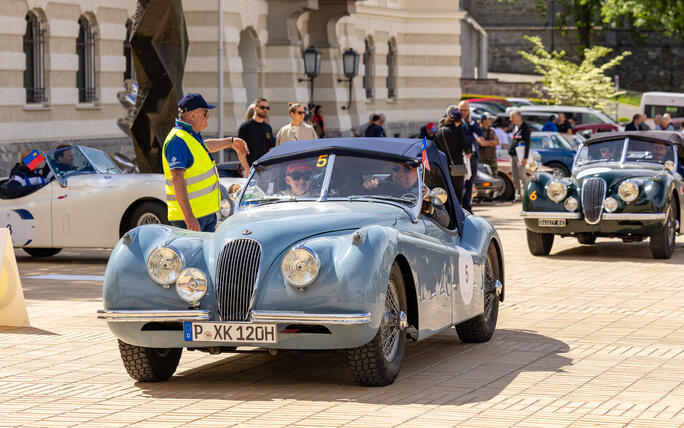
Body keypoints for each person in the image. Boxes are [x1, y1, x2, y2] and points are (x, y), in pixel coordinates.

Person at [162, 92, 249, 232]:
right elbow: (177, 179)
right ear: (193, 115)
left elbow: (205, 147)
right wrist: (189, 217)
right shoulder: (177, 140)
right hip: (191, 218)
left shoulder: (190, 135)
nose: (208, 116)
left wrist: (230, 142)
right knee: (194, 254)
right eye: (205, 112)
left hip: (205, 214)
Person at [363, 162, 450, 228]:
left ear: (418, 173)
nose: (400, 173)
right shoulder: (380, 187)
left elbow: (445, 222)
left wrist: (430, 209)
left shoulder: (425, 192)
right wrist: (368, 189)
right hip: (385, 226)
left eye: (406, 169)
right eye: (396, 169)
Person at [433, 107, 470, 205]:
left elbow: (435, 147)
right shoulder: (458, 131)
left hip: (443, 165)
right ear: (457, 121)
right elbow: (466, 147)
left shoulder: (439, 132)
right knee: (458, 190)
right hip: (457, 165)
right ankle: (458, 211)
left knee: (446, 189)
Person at [458, 100, 484, 211]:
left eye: (466, 110)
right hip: (463, 156)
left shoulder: (471, 121)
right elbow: (464, 137)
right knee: (462, 183)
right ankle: (464, 207)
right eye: (462, 110)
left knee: (470, 183)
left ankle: (468, 207)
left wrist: (471, 123)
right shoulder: (456, 122)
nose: (464, 112)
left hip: (473, 157)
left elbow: (480, 133)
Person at [238, 97, 275, 166]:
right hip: (250, 168)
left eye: (267, 108)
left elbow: (270, 149)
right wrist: (246, 169)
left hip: (265, 169)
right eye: (262, 107)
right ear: (255, 108)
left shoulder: (268, 127)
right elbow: (240, 151)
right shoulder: (245, 127)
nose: (265, 110)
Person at [509, 109, 531, 202]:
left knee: (521, 175)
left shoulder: (525, 128)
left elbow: (527, 143)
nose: (510, 119)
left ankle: (527, 194)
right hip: (513, 155)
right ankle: (518, 196)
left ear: (518, 117)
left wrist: (525, 157)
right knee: (515, 176)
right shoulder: (514, 127)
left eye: (512, 117)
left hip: (520, 156)